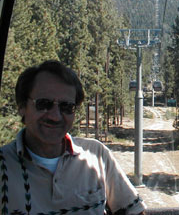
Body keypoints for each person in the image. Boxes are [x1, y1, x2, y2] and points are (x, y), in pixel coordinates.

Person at [0, 60, 146, 214]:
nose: (55, 116)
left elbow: (133, 211)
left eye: (66, 107)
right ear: (22, 107)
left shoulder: (96, 155)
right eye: (44, 104)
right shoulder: (4, 165)